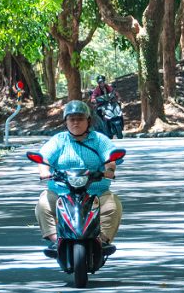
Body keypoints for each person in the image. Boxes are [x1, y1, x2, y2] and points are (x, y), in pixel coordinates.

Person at [35, 100, 123, 249]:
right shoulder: (59, 140)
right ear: (66, 122)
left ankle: (101, 241)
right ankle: (56, 240)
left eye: (80, 119)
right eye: (72, 119)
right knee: (43, 203)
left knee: (113, 205)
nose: (76, 123)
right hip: (61, 193)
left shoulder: (99, 139)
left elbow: (110, 157)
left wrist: (109, 170)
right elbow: (44, 157)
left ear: (88, 121)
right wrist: (44, 171)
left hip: (96, 192)